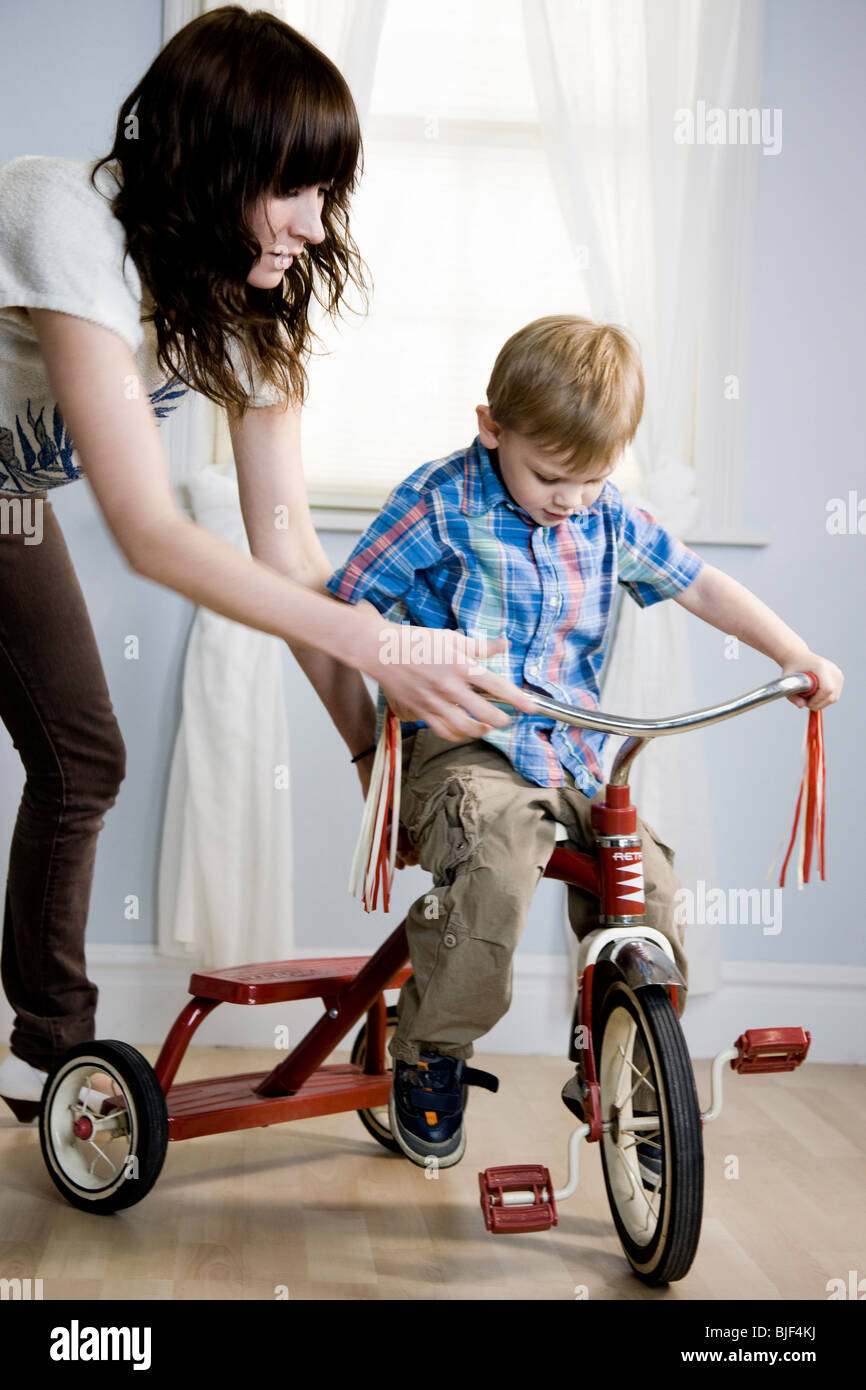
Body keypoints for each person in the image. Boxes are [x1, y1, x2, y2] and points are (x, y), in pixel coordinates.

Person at [0, 7, 534, 1122]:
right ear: (212, 158)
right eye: (295, 185)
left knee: (81, 758)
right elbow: (147, 530)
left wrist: (365, 762)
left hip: (4, 506)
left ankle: (50, 1060)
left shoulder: (249, 307)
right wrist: (382, 644)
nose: (313, 221)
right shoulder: (65, 218)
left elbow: (288, 551)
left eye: (328, 190)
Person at [327, 313, 844, 1172]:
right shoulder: (439, 501)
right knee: (495, 874)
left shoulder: (609, 519)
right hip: (465, 745)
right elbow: (346, 608)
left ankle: (628, 1070)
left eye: (592, 480)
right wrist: (419, 660)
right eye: (550, 475)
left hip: (571, 752)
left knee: (654, 898)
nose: (570, 499)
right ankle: (429, 1046)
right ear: (491, 427)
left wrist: (792, 653)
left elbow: (702, 584)